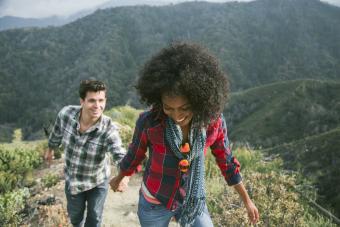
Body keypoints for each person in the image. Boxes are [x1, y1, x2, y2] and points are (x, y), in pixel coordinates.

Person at [110, 42, 259, 227]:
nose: (177, 115)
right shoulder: (150, 122)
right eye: (168, 108)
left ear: (199, 100)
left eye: (184, 108)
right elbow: (135, 155)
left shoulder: (213, 123)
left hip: (193, 200)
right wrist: (120, 177)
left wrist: (247, 200)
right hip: (155, 201)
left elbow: (226, 161)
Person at [45, 79, 129, 227]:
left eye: (101, 100)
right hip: (73, 180)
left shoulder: (108, 128)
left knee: (94, 218)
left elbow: (119, 154)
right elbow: (56, 133)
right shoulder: (66, 114)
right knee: (75, 218)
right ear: (82, 101)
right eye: (92, 101)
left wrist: (124, 175)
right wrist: (50, 149)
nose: (97, 106)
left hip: (97, 181)